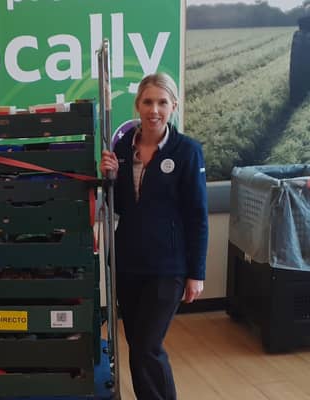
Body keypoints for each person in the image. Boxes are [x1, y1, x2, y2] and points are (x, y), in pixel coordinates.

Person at [100, 73, 208, 400]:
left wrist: (196, 274)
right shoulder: (121, 147)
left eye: (162, 102)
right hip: (128, 263)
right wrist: (110, 177)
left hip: (168, 268)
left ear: (173, 106)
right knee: (137, 346)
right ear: (137, 105)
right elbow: (118, 205)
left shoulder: (187, 151)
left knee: (148, 345)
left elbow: (197, 216)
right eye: (148, 102)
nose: (154, 109)